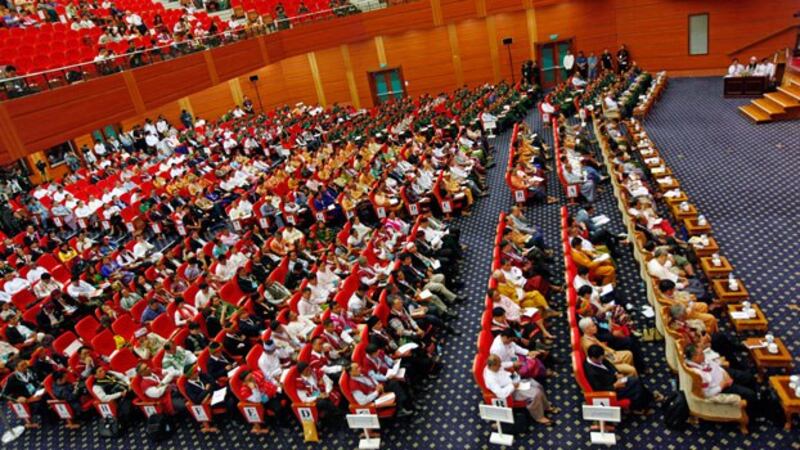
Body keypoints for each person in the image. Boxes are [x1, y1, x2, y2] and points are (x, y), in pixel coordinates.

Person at [683, 344, 759, 418]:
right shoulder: (697, 375)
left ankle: (755, 401)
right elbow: (707, 394)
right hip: (721, 387)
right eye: (701, 354)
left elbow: (715, 366)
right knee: (750, 395)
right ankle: (752, 413)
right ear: (694, 357)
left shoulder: (701, 360)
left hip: (724, 375)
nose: (704, 355)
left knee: (749, 377)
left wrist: (725, 374)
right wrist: (723, 385)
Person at [583, 344, 661, 414]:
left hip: (616, 380)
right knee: (636, 386)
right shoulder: (591, 372)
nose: (601, 360)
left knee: (636, 381)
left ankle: (647, 400)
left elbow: (609, 364)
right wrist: (615, 386)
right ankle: (641, 406)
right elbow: (598, 388)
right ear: (592, 358)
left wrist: (616, 373)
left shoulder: (598, 358)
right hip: (611, 391)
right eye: (599, 359)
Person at [483, 354, 557, 425]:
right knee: (536, 393)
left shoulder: (495, 366)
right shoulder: (490, 379)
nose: (500, 366)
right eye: (498, 365)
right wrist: (513, 386)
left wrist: (513, 364)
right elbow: (501, 394)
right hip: (511, 391)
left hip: (513, 380)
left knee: (538, 385)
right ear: (492, 366)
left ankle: (546, 407)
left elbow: (504, 365)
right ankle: (539, 417)